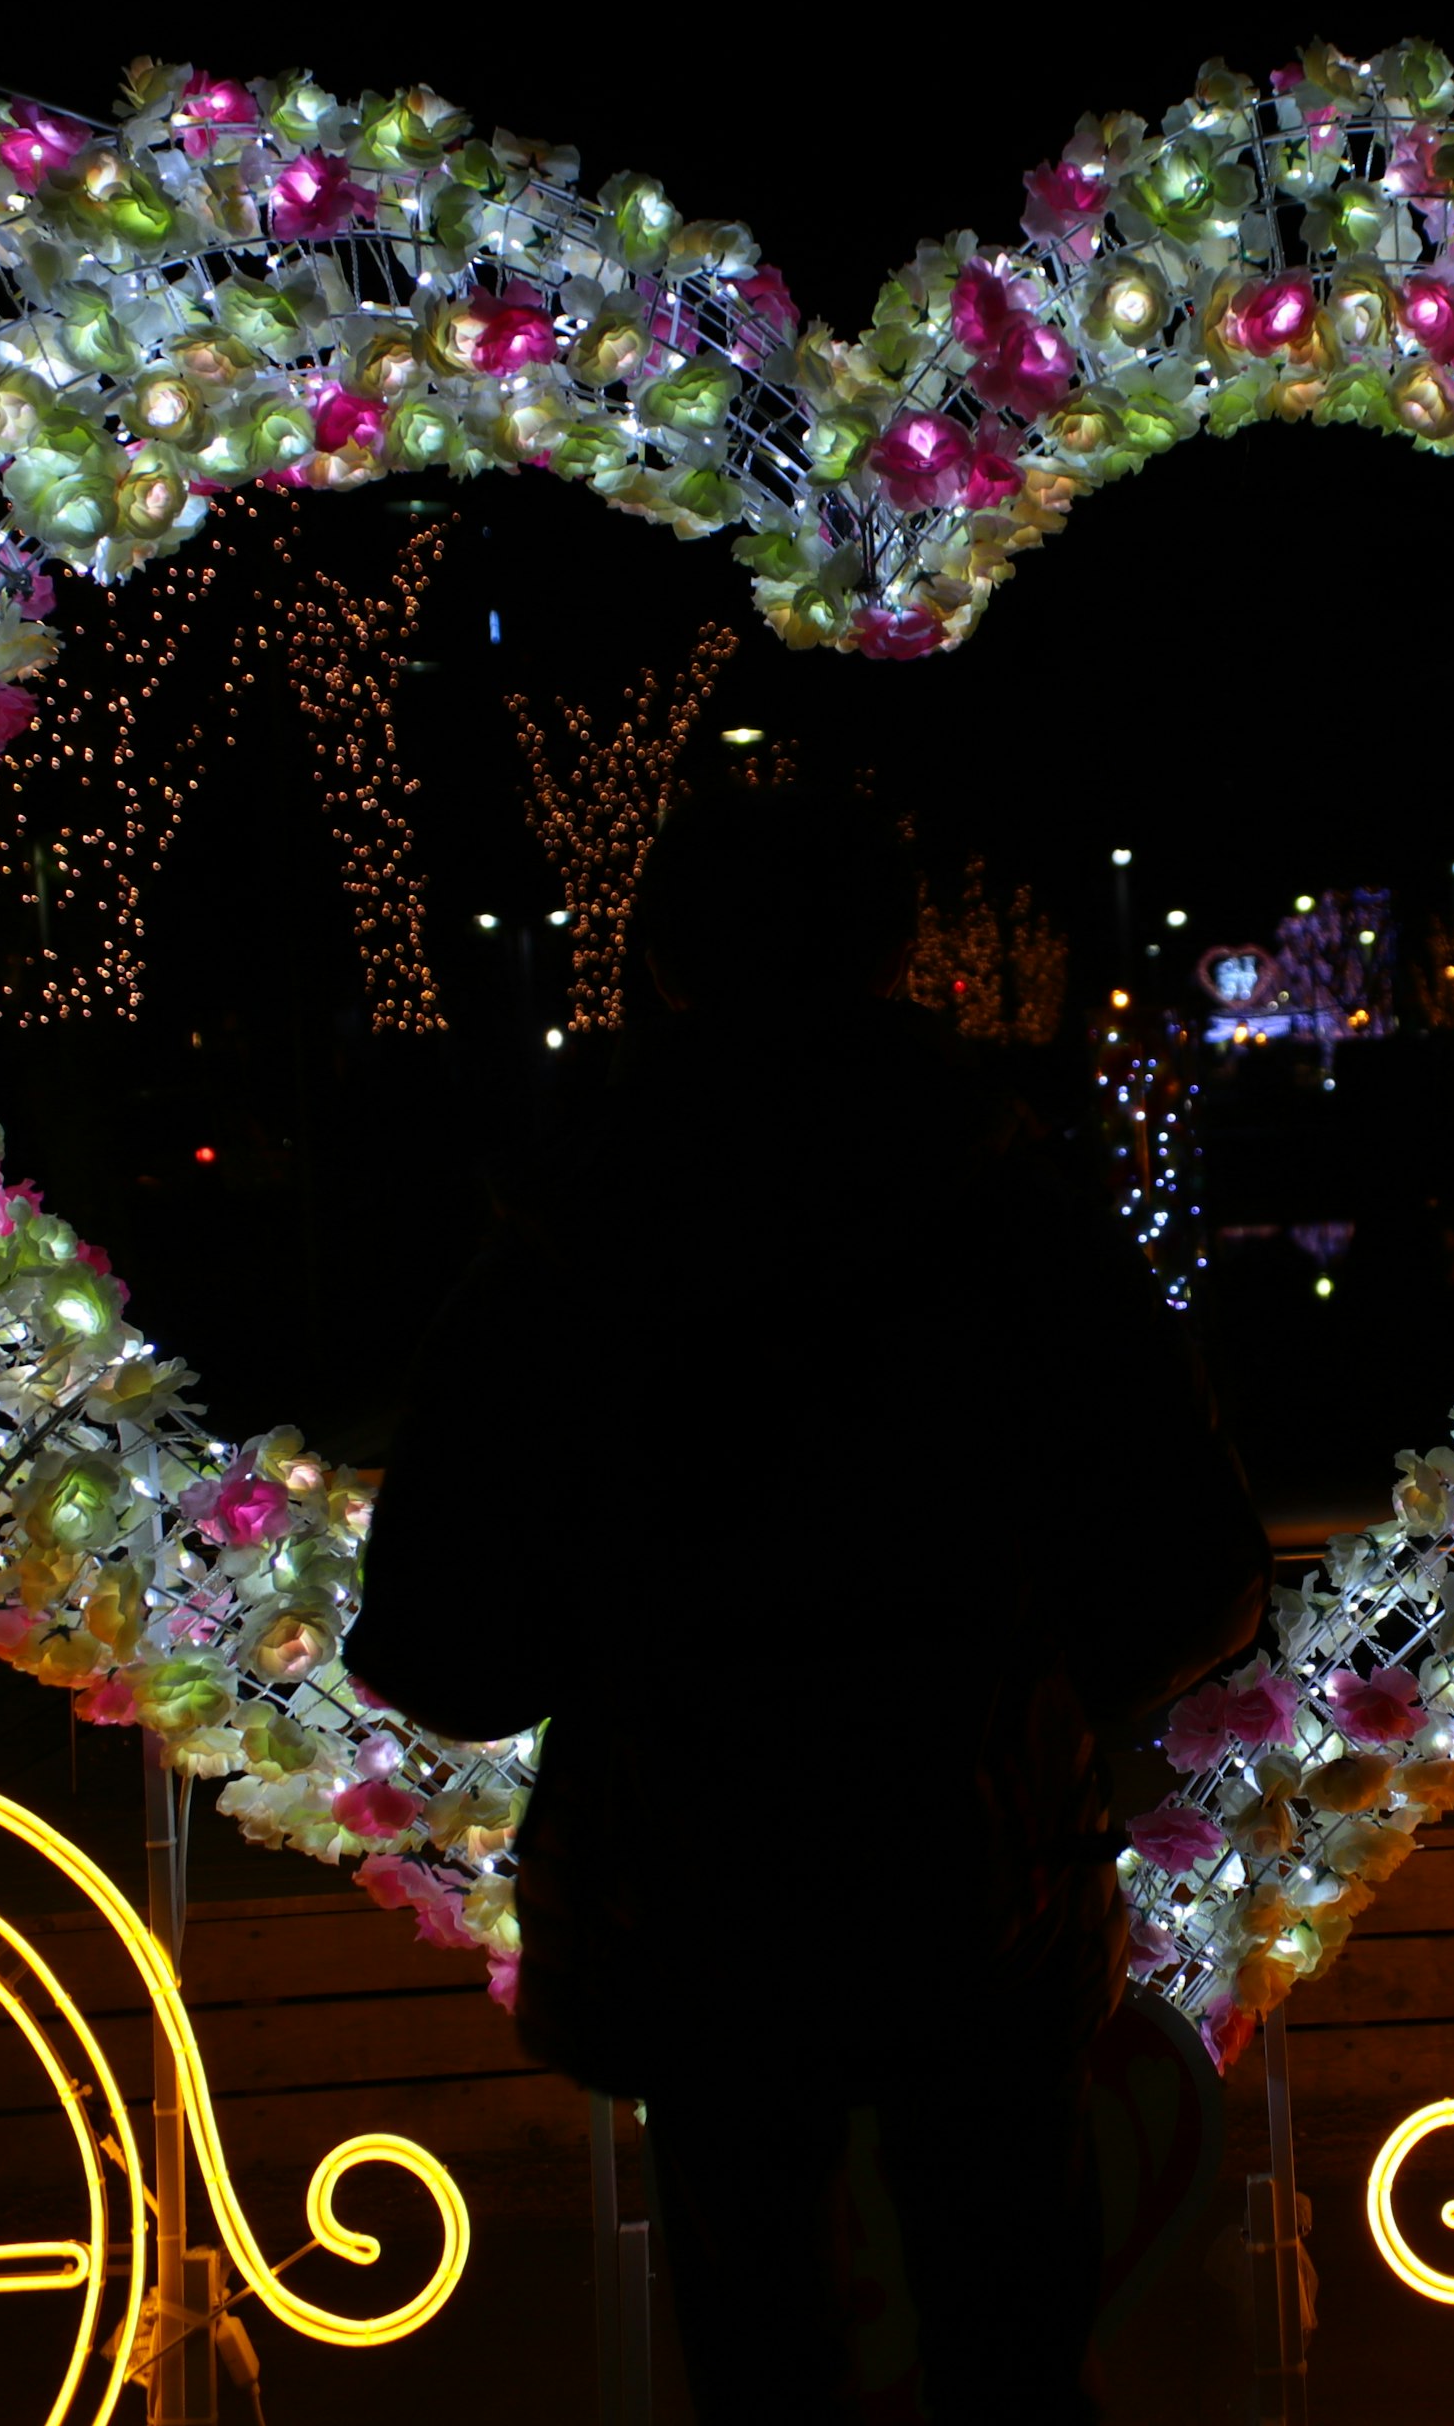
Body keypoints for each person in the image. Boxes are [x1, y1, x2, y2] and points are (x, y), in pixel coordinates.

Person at [349, 782, 1271, 2426]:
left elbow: (441, 1629)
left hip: (693, 1881)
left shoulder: (577, 1238)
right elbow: (1193, 1566)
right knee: (1011, 2326)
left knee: (757, 2324)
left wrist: (635, 1653)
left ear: (673, 957)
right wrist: (1031, 1691)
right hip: (976, 1862)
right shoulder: (1014, 1216)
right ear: (895, 947)